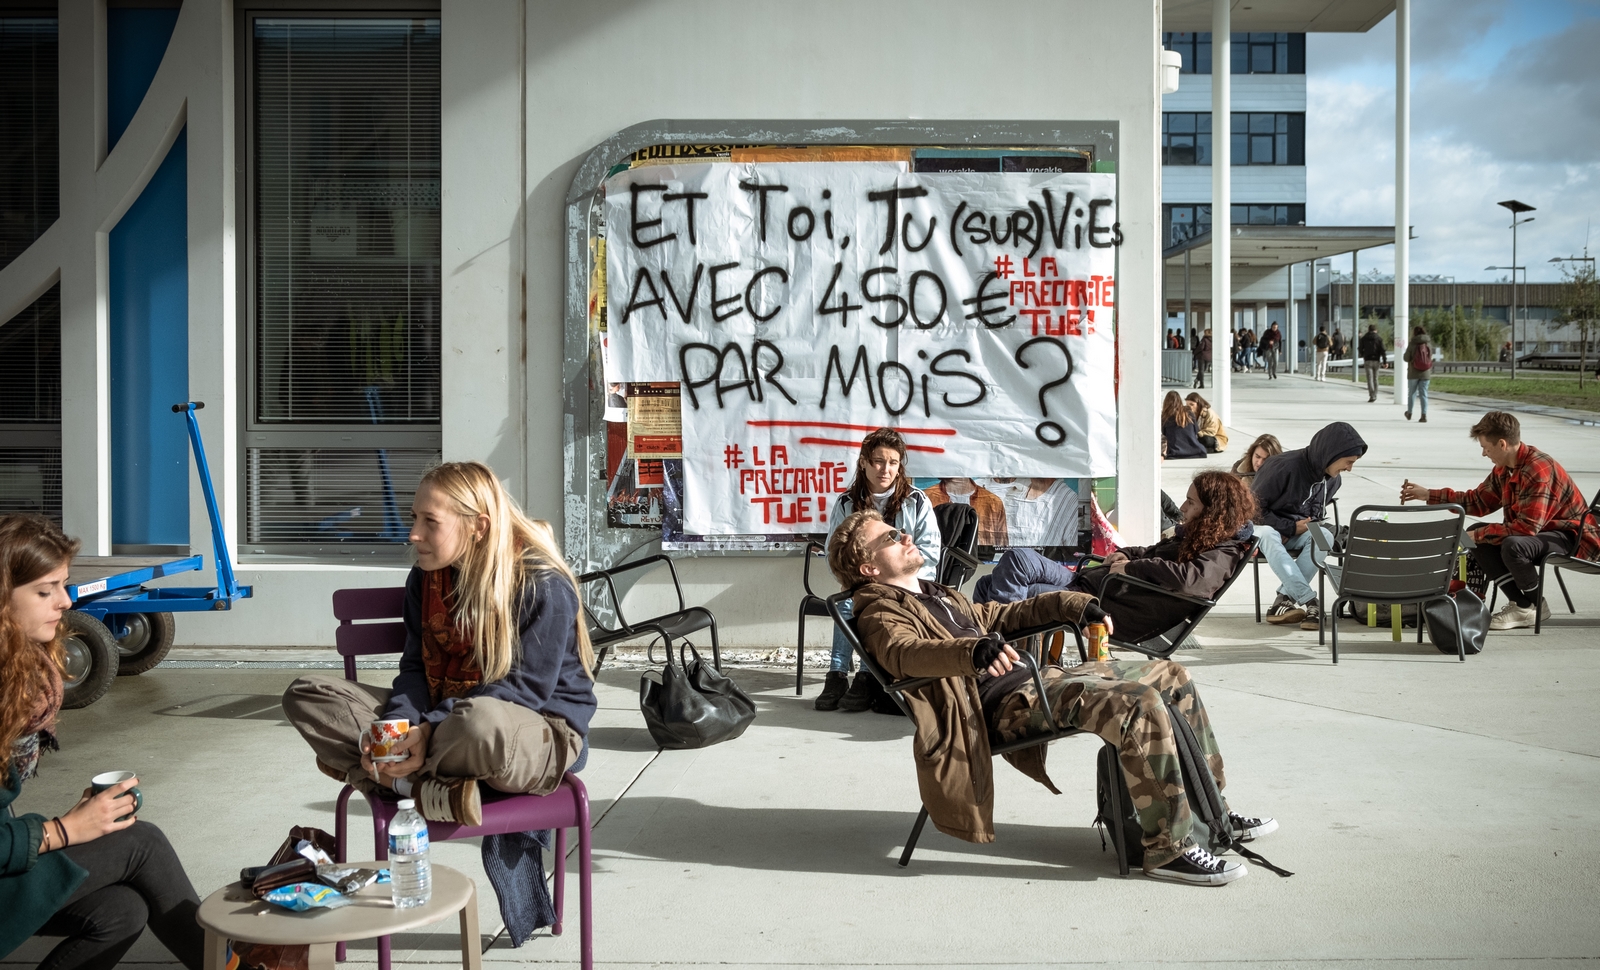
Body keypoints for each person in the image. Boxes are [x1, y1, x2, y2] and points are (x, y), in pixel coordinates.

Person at [828, 508, 1276, 886]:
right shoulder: (879, 609)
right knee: (1136, 702)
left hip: (1039, 680)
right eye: (890, 537)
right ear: (869, 568)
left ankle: (1215, 811)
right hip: (1003, 708)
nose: (905, 534)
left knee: (1169, 673)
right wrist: (973, 650)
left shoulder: (933, 592)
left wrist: (1073, 605)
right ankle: (1168, 849)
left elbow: (999, 613)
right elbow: (905, 654)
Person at [283, 461, 597, 827]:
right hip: (444, 722)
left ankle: (387, 777)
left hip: (535, 729)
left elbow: (521, 690)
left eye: (430, 522)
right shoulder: (425, 578)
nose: (413, 534)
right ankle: (419, 785)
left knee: (481, 724)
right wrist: (399, 724)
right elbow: (416, 668)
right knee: (308, 694)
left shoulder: (540, 583)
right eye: (414, 517)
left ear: (477, 526)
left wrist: (426, 729)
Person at [0, 514, 205, 970]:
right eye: (44, 590)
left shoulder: (19, 676)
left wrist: (83, 818)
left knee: (121, 911)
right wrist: (64, 830)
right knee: (141, 842)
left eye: (64, 585)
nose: (65, 600)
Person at [973, 472, 1259, 645]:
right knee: (1015, 560)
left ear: (1213, 511)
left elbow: (1190, 582)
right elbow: (1150, 553)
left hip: (1103, 605)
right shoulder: (1201, 534)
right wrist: (1126, 554)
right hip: (1090, 583)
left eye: (1191, 502)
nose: (1182, 507)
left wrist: (1132, 568)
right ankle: (1005, 643)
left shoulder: (1224, 551)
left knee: (1005, 591)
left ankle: (1003, 650)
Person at [1400, 411, 1600, 630]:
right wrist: (1429, 494)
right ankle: (1523, 605)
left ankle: (1534, 606)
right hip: (1542, 534)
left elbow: (1526, 529)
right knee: (1477, 534)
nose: (1484, 454)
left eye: (1486, 448)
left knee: (1511, 544)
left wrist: (1475, 536)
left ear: (1502, 444)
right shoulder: (1505, 468)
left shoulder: (1538, 469)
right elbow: (1477, 501)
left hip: (1572, 537)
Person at [812, 429, 940, 711]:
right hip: (862, 581)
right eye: (879, 461)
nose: (886, 469)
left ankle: (867, 675)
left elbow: (930, 554)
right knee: (848, 602)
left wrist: (899, 578)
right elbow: (834, 552)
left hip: (904, 584)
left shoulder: (916, 501)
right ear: (864, 463)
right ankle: (836, 675)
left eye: (893, 462)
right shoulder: (847, 502)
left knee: (874, 604)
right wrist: (858, 580)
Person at [1255, 423, 1369, 630]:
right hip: (1262, 529)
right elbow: (1251, 510)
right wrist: (1287, 527)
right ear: (1332, 454)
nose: (1350, 468)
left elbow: (1314, 516)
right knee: (1269, 534)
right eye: (1349, 462)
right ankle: (1311, 602)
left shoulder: (1334, 480)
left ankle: (1283, 601)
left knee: (1324, 535)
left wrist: (1298, 528)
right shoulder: (1282, 466)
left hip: (1297, 531)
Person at [926, 478, 1008, 549]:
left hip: (983, 564)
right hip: (939, 563)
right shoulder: (925, 498)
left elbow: (1001, 546)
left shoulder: (992, 502)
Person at [1161, 391, 1207, 459]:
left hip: (1174, 451)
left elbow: (1164, 433)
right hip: (1195, 450)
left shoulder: (1165, 417)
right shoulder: (1189, 413)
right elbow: (1196, 431)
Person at [1405, 326, 1433, 422]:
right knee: (1424, 394)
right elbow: (1430, 356)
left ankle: (1409, 413)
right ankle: (1424, 415)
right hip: (1426, 373)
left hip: (1413, 372)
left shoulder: (1412, 343)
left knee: (1412, 393)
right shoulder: (1428, 343)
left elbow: (1406, 358)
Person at [1360, 324, 1385, 401]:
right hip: (1376, 360)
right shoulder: (1379, 339)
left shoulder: (1364, 338)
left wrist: (1363, 355)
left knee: (1369, 378)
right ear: (1375, 330)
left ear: (1368, 330)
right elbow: (1383, 350)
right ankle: (1375, 394)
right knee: (1376, 378)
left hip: (1367, 360)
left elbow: (1360, 348)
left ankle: (1372, 395)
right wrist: (1385, 361)